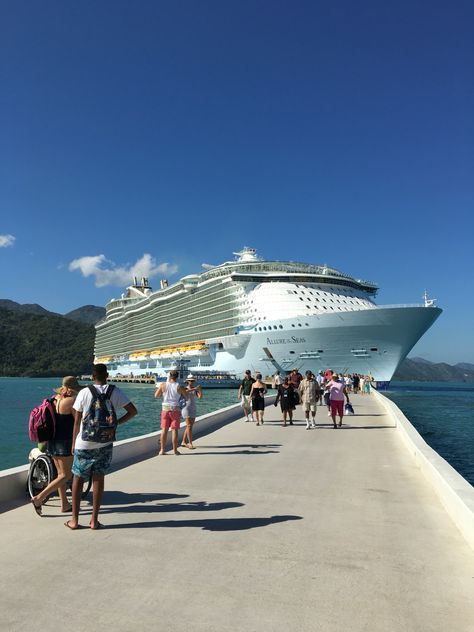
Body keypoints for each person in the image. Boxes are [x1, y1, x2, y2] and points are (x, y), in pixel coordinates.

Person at [66, 364, 137, 530]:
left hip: (84, 443)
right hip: (105, 442)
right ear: (107, 375)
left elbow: (77, 421)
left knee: (78, 478)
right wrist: (116, 423)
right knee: (98, 478)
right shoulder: (115, 391)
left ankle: (75, 521)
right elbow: (133, 411)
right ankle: (94, 521)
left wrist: (73, 443)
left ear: (92, 376)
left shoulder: (84, 392)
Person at [31, 376, 82, 516]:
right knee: (65, 475)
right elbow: (80, 421)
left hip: (52, 441)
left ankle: (65, 504)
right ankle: (38, 498)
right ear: (70, 389)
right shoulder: (71, 401)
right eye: (73, 389)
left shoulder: (53, 399)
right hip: (65, 442)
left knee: (60, 475)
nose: (74, 392)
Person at [155, 370, 188, 455]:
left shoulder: (163, 385)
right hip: (175, 410)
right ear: (177, 376)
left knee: (164, 430)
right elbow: (187, 398)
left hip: (165, 409)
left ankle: (162, 450)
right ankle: (175, 450)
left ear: (169, 376)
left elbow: (156, 395)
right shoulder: (179, 386)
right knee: (174, 430)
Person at [180, 374, 202, 450]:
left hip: (193, 408)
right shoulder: (184, 388)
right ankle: (190, 443)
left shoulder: (194, 389)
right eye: (190, 381)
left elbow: (200, 397)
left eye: (193, 381)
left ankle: (183, 442)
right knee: (189, 426)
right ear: (187, 381)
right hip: (186, 409)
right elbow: (184, 392)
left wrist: (199, 390)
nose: (192, 382)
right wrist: (194, 389)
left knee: (189, 426)